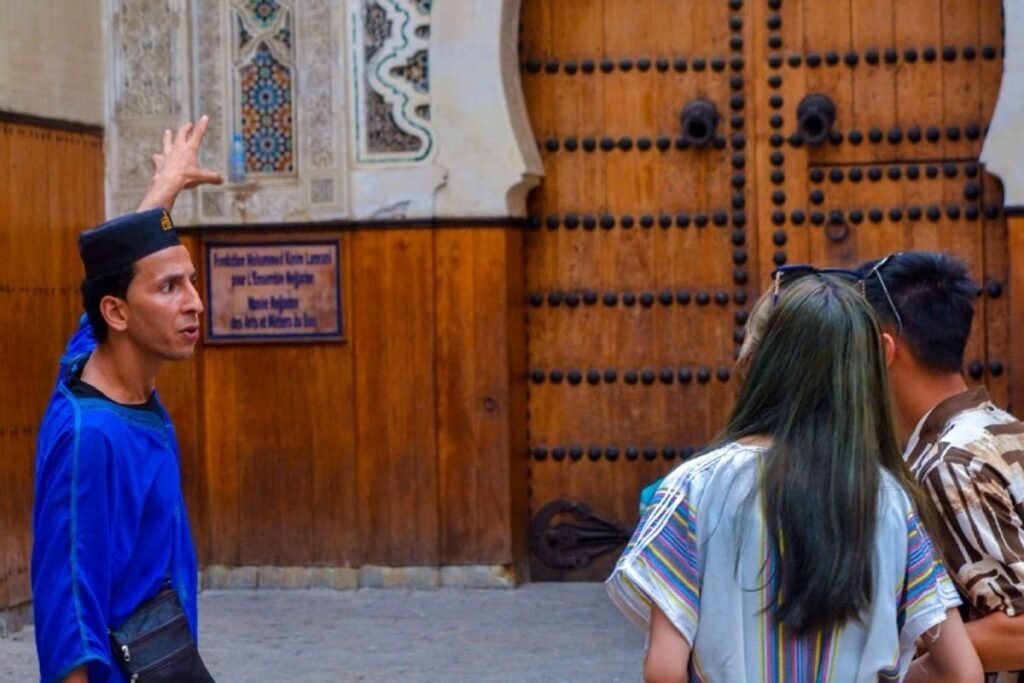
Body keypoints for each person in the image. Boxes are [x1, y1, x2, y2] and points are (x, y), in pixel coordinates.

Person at [607, 269, 982, 682]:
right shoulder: (889, 499)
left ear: (766, 360)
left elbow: (664, 669)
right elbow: (962, 672)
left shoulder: (693, 488)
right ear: (866, 376)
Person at [32, 116, 223, 683]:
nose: (194, 303)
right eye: (170, 288)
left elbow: (117, 265)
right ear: (118, 313)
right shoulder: (90, 437)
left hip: (173, 657)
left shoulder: (94, 346)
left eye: (190, 281)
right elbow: (68, 622)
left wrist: (164, 188)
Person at [858, 251, 1024, 681]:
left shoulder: (948, 465)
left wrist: (891, 669)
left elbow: (1019, 632)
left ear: (882, 349)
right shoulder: (1003, 429)